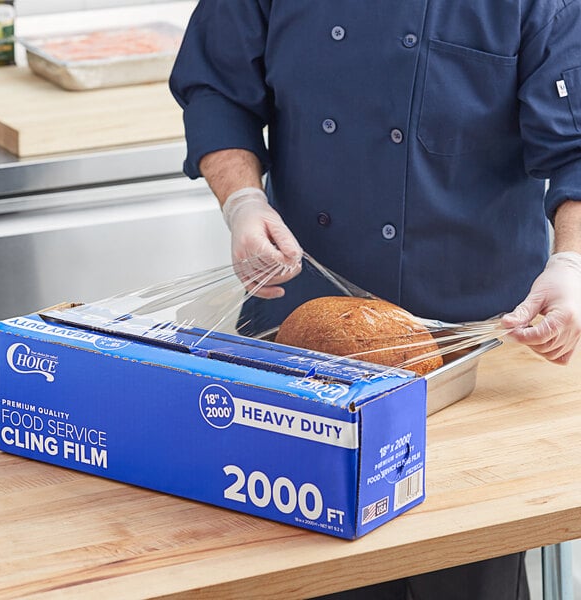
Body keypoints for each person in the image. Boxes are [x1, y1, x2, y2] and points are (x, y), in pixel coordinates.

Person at [169, 1, 581, 598]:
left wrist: (571, 262)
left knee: (465, 571)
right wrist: (242, 202)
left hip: (477, 358)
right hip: (301, 350)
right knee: (305, 572)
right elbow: (215, 88)